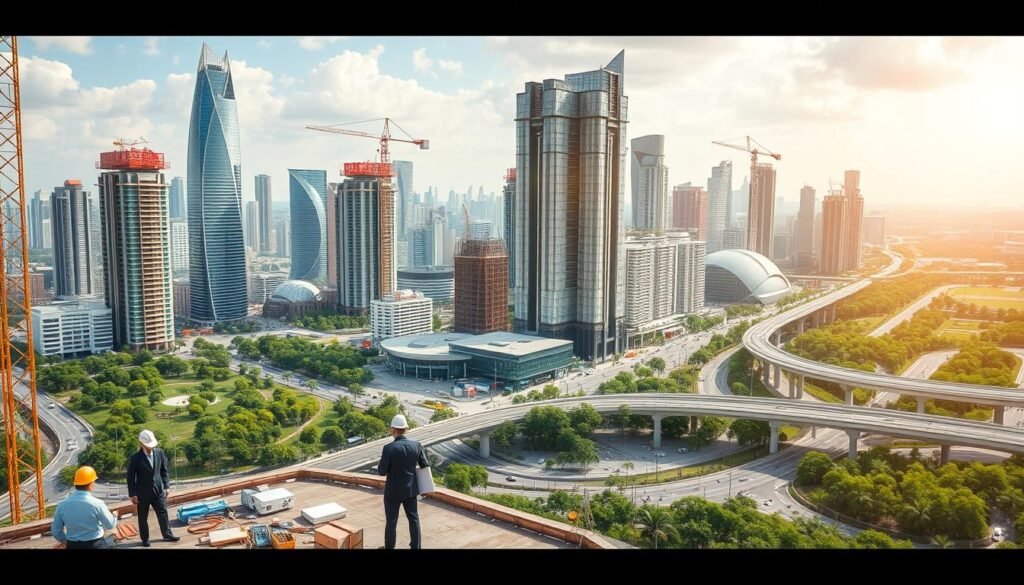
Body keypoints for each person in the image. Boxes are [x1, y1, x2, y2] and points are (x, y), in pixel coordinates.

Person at [377, 414, 428, 549]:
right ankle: (416, 547)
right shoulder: (416, 445)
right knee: (414, 519)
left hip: (392, 492)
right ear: (407, 429)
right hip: (411, 490)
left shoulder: (388, 448)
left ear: (393, 430)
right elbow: (425, 465)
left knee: (391, 522)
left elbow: (381, 471)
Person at [126, 429, 180, 547]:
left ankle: (167, 535)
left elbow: (164, 471)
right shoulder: (136, 458)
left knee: (163, 513)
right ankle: (145, 539)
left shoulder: (159, 453)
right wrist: (132, 493)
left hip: (158, 490)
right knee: (142, 517)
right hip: (142, 493)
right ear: (141, 444)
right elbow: (130, 477)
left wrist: (166, 486)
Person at [50, 466, 117, 549]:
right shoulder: (97, 504)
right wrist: (114, 515)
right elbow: (110, 525)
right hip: (95, 544)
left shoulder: (62, 505)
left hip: (73, 545)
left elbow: (56, 531)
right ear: (91, 484)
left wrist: (66, 542)